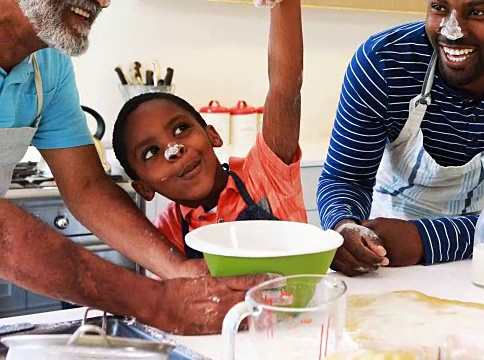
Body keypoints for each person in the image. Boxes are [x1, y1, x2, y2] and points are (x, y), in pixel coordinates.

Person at [0, 0, 280, 334]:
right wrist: (158, 303)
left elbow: (87, 187)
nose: (104, 2)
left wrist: (181, 271)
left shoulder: (49, 68)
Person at [317, 0, 484, 277]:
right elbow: (345, 179)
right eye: (440, 8)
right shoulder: (383, 63)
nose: (452, 30)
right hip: (387, 260)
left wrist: (423, 240)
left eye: (478, 12)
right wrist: (344, 228)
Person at [111, 0, 304, 257]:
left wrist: (284, 3)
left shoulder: (264, 176)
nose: (174, 150)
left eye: (180, 129)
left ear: (212, 135)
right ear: (144, 188)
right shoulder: (164, 234)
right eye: (151, 152)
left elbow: (285, 87)